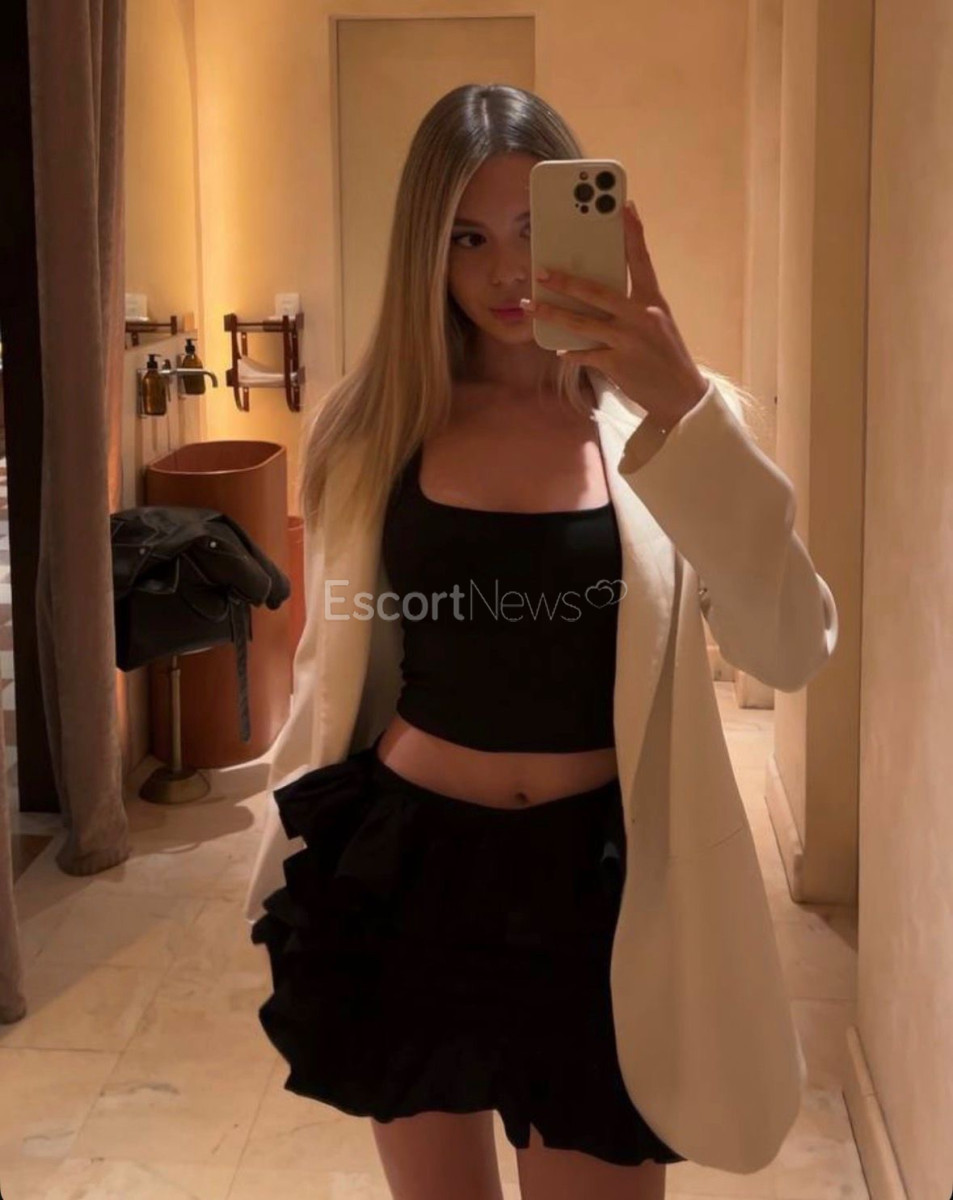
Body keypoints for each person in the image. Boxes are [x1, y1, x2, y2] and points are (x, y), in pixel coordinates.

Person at [246, 83, 838, 1200]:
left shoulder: (669, 423)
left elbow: (789, 644)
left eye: (532, 227)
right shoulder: (367, 428)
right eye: (465, 237)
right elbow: (335, 660)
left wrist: (681, 408)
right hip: (408, 868)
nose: (506, 272)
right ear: (423, 253)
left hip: (599, 886)